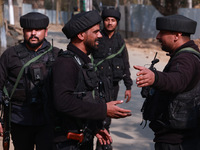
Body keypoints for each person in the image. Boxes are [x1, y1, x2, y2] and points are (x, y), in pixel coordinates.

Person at [52, 10, 132, 150]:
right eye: (95, 32)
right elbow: (63, 102)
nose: (100, 35)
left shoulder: (83, 62)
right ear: (81, 35)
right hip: (67, 143)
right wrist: (103, 110)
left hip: (83, 139)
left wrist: (95, 128)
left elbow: (84, 99)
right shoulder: (66, 63)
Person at [134, 14, 200, 150]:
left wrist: (155, 78)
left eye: (162, 32)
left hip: (177, 142)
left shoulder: (186, 59)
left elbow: (178, 80)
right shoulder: (185, 55)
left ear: (177, 35)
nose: (158, 36)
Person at [0, 12, 60, 150]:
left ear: (45, 32)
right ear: (23, 31)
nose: (33, 33)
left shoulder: (56, 55)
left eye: (38, 30)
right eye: (28, 30)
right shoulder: (10, 55)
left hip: (48, 121)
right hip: (18, 120)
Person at [91, 8, 133, 150]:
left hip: (113, 84)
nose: (109, 23)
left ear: (117, 22)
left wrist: (128, 86)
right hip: (97, 83)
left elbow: (125, 62)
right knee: (97, 113)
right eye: (107, 20)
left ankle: (103, 144)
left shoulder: (119, 40)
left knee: (108, 116)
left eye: (113, 20)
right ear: (103, 21)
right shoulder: (97, 37)